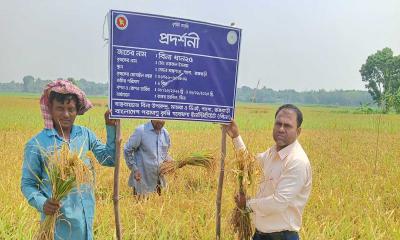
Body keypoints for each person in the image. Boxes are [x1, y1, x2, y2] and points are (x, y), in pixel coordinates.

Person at [21, 79, 118, 240]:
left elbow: (109, 159)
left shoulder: (84, 135)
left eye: (70, 109)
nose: (66, 114)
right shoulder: (37, 144)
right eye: (60, 108)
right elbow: (27, 184)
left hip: (85, 224)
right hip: (57, 228)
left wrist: (111, 128)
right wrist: (42, 203)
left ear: (77, 110)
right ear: (50, 110)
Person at [224, 104, 312, 240]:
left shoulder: (297, 161)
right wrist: (235, 136)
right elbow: (250, 164)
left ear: (298, 131)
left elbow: (278, 202)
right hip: (260, 234)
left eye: (287, 126)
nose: (281, 129)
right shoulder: (272, 152)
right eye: (278, 124)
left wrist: (247, 205)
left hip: (283, 236)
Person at [124, 120, 171, 196]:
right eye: (157, 118)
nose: (160, 121)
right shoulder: (141, 131)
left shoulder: (165, 134)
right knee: (140, 206)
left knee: (157, 206)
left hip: (158, 182)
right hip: (142, 180)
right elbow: (127, 149)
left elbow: (164, 154)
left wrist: (172, 163)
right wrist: (134, 169)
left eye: (163, 118)